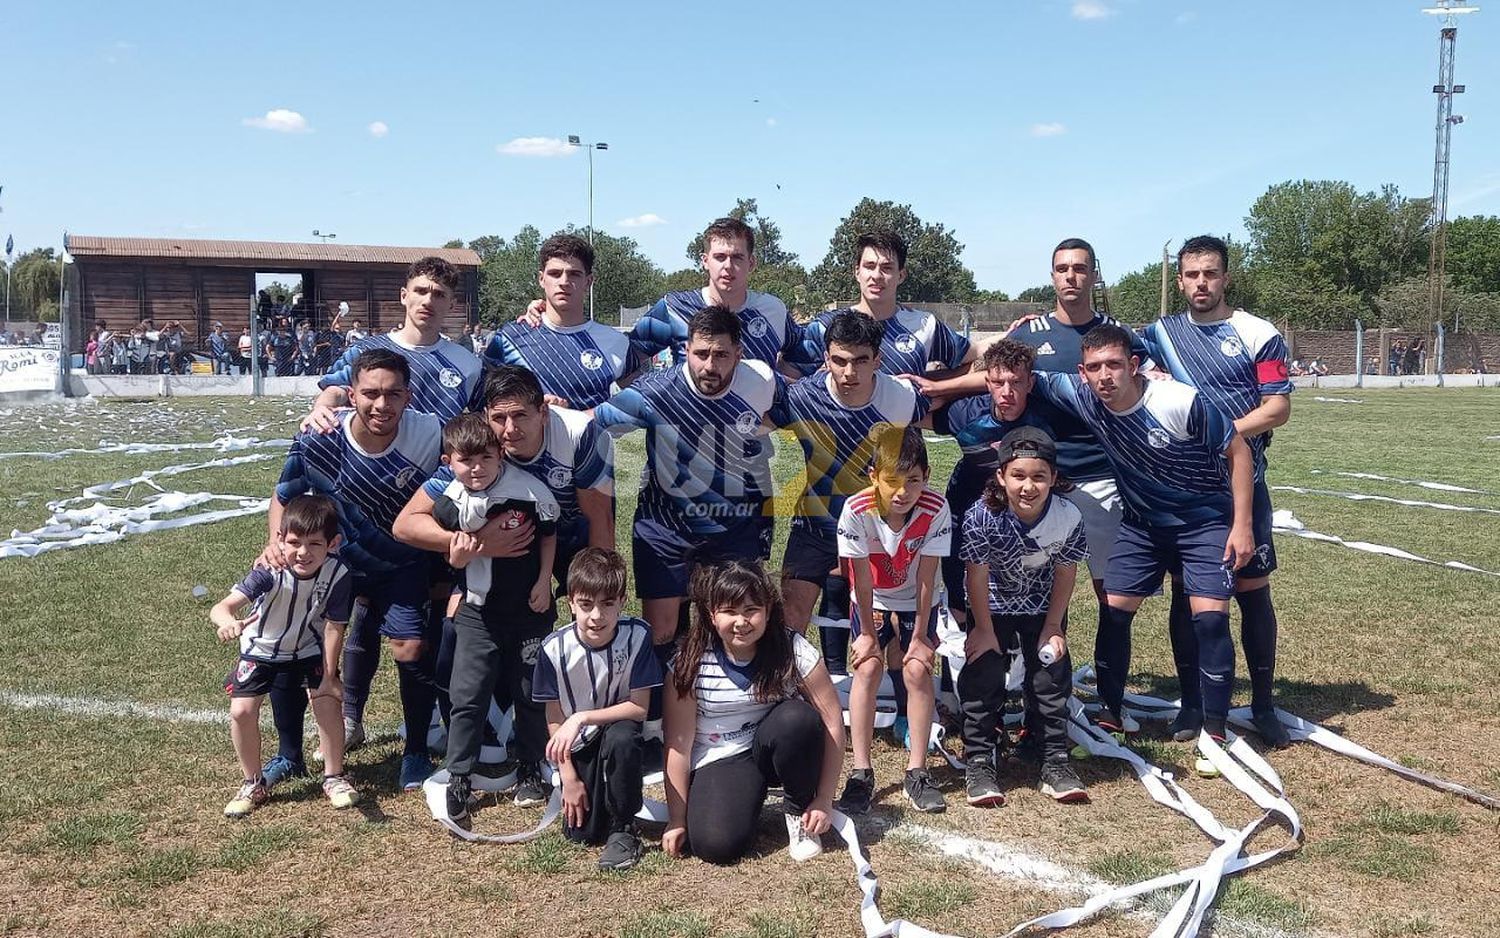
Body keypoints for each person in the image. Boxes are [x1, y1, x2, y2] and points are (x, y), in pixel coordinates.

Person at [1029, 324, 1255, 751]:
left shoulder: (1177, 401)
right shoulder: (1083, 395)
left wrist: (1241, 525)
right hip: (1143, 524)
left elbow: (1238, 449)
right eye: (1094, 367)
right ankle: (1112, 714)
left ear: (1134, 365)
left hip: (1203, 521)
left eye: (1114, 364)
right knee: (1113, 611)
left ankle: (1216, 729)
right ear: (1082, 372)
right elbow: (1020, 374)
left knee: (1209, 619)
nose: (1104, 376)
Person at [1139, 235, 1294, 747]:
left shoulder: (1258, 333)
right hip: (1186, 489)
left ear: (1226, 277)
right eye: (1191, 275)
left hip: (1243, 481)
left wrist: (1223, 434)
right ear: (1179, 280)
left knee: (1251, 591)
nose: (1200, 283)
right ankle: (1192, 704)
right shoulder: (1161, 333)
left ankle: (1265, 704)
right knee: (1189, 596)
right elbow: (1104, 354)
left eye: (1210, 273)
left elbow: (1277, 407)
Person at [266, 348, 445, 791]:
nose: (381, 405)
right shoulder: (318, 439)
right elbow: (285, 495)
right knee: (293, 650)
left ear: (408, 396)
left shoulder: (431, 433)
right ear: (351, 394)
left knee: (408, 647)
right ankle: (291, 753)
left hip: (403, 563)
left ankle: (417, 750)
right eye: (370, 394)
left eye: (392, 394)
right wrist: (275, 544)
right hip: (335, 567)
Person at [593, 306, 782, 692]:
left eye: (721, 355)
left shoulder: (760, 381)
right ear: (686, 350)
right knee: (662, 630)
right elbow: (595, 422)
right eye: (701, 354)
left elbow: (796, 411)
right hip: (665, 525)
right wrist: (550, 415)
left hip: (734, 522)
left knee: (735, 621)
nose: (709, 365)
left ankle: (735, 707)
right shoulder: (655, 390)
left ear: (739, 353)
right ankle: (661, 716)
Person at [402, 412, 560, 810]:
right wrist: (458, 552)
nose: (476, 469)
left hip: (528, 610)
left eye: (485, 459)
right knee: (467, 695)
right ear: (448, 463)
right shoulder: (450, 500)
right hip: (477, 612)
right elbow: (450, 549)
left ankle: (529, 767)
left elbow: (549, 535)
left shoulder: (529, 490)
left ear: (500, 457)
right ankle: (459, 775)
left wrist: (544, 581)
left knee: (529, 692)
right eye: (466, 461)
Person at [770, 310, 928, 676]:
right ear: (826, 359)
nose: (848, 372)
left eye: (860, 361)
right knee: (789, 617)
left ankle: (900, 699)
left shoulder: (901, 398)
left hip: (879, 529)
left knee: (890, 621)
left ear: (878, 359)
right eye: (839, 361)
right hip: (815, 524)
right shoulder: (801, 398)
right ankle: (783, 692)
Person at [662, 561, 845, 864]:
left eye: (751, 610)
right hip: (722, 755)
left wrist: (824, 798)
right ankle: (743, 798)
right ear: (711, 615)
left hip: (776, 742)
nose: (741, 621)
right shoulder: (690, 662)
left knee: (798, 719)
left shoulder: (792, 648)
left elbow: (833, 722)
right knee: (715, 846)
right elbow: (678, 745)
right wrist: (677, 818)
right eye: (729, 611)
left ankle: (799, 813)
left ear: (768, 611)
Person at [958, 428, 1090, 806]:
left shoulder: (1068, 515)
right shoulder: (981, 517)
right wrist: (983, 629)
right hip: (992, 606)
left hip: (1041, 607)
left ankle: (1053, 758)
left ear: (1052, 477)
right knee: (983, 675)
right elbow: (976, 573)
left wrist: (1053, 626)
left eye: (1038, 476)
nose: (1028, 486)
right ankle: (980, 759)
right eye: (1018, 476)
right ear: (1001, 476)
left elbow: (1066, 570)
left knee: (1050, 678)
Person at [211, 494, 361, 817]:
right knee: (241, 712)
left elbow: (335, 626)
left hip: (307, 649)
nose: (303, 553)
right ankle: (253, 782)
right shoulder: (269, 570)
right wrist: (227, 623)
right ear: (280, 539)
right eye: (294, 542)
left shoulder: (339, 574)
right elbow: (222, 607)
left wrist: (330, 675)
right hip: (260, 651)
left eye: (314, 544)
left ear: (332, 543)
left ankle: (334, 777)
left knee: (327, 701)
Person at [834, 426, 952, 815]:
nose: (903, 492)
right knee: (867, 668)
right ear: (873, 478)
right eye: (892, 481)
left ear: (926, 477)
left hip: (917, 600)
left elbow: (927, 575)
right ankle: (861, 771)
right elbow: (861, 575)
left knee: (917, 670)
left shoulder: (936, 508)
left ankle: (917, 770)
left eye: (913, 481)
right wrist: (867, 632)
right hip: (873, 597)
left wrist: (919, 635)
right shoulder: (855, 509)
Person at [528, 548, 662, 869]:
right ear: (571, 602)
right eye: (586, 605)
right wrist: (568, 777)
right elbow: (554, 718)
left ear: (622, 601)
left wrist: (582, 717)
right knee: (582, 833)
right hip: (577, 745)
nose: (597, 616)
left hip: (619, 729)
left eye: (607, 604)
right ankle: (600, 801)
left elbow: (639, 708)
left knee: (621, 737)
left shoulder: (638, 635)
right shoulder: (553, 650)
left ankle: (624, 826)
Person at [307, 258, 482, 429]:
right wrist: (322, 407)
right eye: (420, 291)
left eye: (439, 294)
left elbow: (490, 413)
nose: (428, 301)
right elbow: (336, 389)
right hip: (374, 457)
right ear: (404, 296)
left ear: (452, 305)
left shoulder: (469, 364)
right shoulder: (365, 350)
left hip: (437, 457)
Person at [486, 234, 646, 409]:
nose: (564, 282)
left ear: (588, 281)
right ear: (541, 279)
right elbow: (481, 403)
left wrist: (590, 423)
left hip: (593, 437)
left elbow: (640, 405)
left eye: (574, 274)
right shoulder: (509, 338)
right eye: (555, 274)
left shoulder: (616, 342)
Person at [629, 217, 804, 374]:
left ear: (751, 263)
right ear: (705, 261)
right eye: (720, 257)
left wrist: (778, 389)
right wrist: (660, 398)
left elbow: (805, 353)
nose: (728, 265)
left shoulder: (773, 309)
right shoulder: (674, 308)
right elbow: (629, 362)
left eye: (737, 257)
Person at [798, 231, 974, 379]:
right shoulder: (824, 326)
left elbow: (975, 354)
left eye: (887, 268)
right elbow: (789, 382)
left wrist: (940, 389)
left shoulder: (924, 325)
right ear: (857, 272)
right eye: (869, 266)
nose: (877, 275)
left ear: (901, 275)